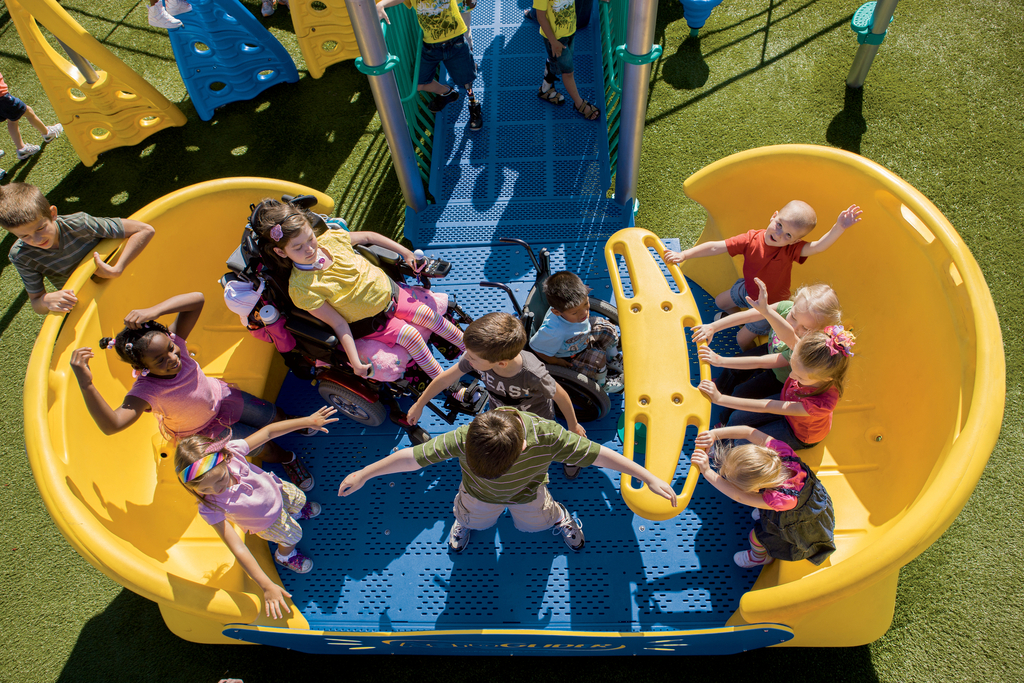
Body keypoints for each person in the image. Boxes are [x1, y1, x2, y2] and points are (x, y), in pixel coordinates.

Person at [69, 292, 316, 491]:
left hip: (224, 400)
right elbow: (112, 425)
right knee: (264, 448)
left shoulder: (179, 346)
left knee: (274, 416)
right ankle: (287, 458)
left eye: (170, 348)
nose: (172, 358)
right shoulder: (146, 391)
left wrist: (154, 311)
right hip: (206, 431)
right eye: (159, 360)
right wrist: (86, 384)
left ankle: (297, 424)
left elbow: (197, 299)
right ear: (141, 368)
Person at [338, 408, 677, 552]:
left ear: (525, 447)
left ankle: (558, 516)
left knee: (536, 524)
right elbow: (412, 458)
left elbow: (597, 454)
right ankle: (466, 523)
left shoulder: (547, 436)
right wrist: (365, 473)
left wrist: (646, 476)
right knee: (472, 518)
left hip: (529, 493)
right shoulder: (468, 434)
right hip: (476, 495)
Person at [251, 199, 465, 381]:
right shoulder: (302, 289)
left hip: (394, 295)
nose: (309, 249)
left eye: (310, 238)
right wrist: (355, 361)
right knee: (413, 337)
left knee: (431, 317)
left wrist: (406, 253)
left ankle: (475, 352)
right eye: (297, 247)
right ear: (280, 251)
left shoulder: (330, 240)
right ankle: (448, 385)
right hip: (373, 322)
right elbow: (338, 323)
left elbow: (369, 237)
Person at [175, 407, 338, 617]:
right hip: (269, 523)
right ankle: (285, 556)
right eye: (204, 489)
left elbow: (269, 432)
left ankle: (295, 512)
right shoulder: (209, 506)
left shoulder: (233, 453)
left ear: (224, 459)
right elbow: (238, 548)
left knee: (299, 498)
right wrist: (266, 585)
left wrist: (307, 420)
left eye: (219, 480)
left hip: (278, 491)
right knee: (293, 535)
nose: (215, 490)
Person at [406, 311, 588, 478]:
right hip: (503, 416)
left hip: (536, 421)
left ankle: (571, 456)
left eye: (472, 358)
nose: (467, 359)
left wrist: (573, 426)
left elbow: (561, 396)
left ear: (500, 363)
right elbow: (445, 379)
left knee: (547, 444)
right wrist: (420, 404)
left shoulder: (532, 374)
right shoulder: (478, 357)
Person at [665, 202, 862, 349]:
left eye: (788, 236)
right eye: (779, 225)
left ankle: (748, 356)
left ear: (795, 241)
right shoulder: (751, 239)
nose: (779, 235)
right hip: (748, 289)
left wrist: (840, 227)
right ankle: (739, 318)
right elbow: (717, 246)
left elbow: (818, 247)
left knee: (741, 339)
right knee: (720, 302)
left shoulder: (789, 251)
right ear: (774, 216)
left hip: (770, 305)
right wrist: (684, 255)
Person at [694, 278, 842, 424]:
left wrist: (720, 360)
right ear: (794, 304)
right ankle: (720, 388)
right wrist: (713, 327)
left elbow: (761, 362)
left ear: (821, 332)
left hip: (780, 377)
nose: (794, 327)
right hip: (770, 351)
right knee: (733, 369)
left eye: (806, 329)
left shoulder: (804, 349)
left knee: (741, 393)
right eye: (794, 317)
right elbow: (752, 315)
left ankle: (724, 421)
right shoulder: (787, 307)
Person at [691, 426, 835, 568]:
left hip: (798, 519)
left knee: (757, 537)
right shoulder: (779, 451)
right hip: (810, 497)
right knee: (764, 509)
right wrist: (714, 434)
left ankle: (758, 557)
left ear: (757, 487)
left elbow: (739, 496)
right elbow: (749, 432)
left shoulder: (780, 499)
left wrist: (707, 472)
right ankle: (765, 515)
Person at [0, 182, 155, 315]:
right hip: (89, 306)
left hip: (128, 281)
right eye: (24, 236)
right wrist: (46, 300)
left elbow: (144, 229)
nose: (37, 239)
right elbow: (36, 303)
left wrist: (118, 267)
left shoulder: (79, 224)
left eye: (40, 228)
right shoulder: (21, 255)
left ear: (52, 213)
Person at [698, 326, 855, 451]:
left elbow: (769, 407)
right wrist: (765, 309)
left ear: (825, 379)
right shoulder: (806, 356)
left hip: (797, 432)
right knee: (736, 418)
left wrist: (720, 398)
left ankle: (726, 451)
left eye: (800, 377)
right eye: (792, 367)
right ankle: (725, 437)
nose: (792, 377)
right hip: (787, 408)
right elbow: (786, 332)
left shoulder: (820, 405)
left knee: (743, 443)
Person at [375, 0, 484, 131]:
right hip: (431, 49)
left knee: (466, 81)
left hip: (456, 44)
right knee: (419, 84)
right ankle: (447, 92)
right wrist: (380, 5)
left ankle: (473, 103)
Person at [529, 271, 623, 393]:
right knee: (598, 358)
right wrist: (557, 362)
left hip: (582, 338)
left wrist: (578, 312)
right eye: (575, 312)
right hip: (571, 357)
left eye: (586, 304)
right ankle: (603, 384)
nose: (584, 313)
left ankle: (614, 358)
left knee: (607, 328)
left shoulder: (573, 311)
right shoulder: (554, 330)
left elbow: (580, 311)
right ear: (557, 312)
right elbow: (537, 348)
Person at [532, 0, 602, 120]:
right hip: (556, 40)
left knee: (555, 62)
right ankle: (579, 103)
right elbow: (541, 16)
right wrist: (553, 42)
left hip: (569, 32)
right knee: (568, 72)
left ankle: (545, 89)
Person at [0, 71, 62, 161]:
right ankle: (47, 134)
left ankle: (23, 148)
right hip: (3, 99)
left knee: (14, 119)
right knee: (25, 114)